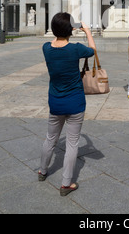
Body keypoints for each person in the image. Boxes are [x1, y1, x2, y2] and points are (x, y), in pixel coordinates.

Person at [39, 12, 95, 197]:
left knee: (50, 138)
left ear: (54, 28)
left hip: (56, 101)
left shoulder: (46, 48)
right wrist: (87, 31)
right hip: (75, 102)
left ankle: (43, 171)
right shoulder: (76, 49)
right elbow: (92, 50)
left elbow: (56, 41)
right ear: (71, 29)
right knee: (72, 143)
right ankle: (66, 183)